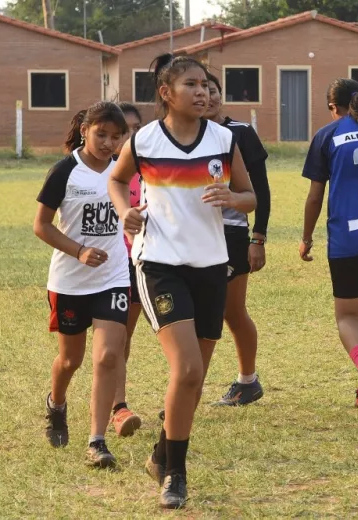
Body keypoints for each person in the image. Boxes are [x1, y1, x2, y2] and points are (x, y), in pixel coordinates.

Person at [108, 54, 256, 509]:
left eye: (205, 84)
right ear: (166, 93)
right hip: (160, 264)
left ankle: (160, 454)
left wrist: (234, 197)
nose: (201, 91)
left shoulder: (223, 138)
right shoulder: (145, 140)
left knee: (195, 377)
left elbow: (250, 197)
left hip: (211, 265)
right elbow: (116, 180)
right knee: (187, 369)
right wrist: (124, 211)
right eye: (190, 84)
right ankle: (176, 474)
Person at [33, 102, 130, 467]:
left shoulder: (123, 170)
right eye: (101, 134)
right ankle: (56, 403)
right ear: (85, 130)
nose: (108, 143)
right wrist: (79, 251)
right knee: (70, 360)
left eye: (115, 136)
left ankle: (97, 441)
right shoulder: (64, 172)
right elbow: (41, 226)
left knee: (108, 356)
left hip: (114, 278)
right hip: (71, 281)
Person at [299, 78, 358, 418]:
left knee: (349, 317)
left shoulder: (328, 136)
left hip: (348, 240)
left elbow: (315, 196)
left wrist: (306, 237)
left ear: (333, 108)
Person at [204, 74, 271, 406]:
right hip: (190, 235)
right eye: (200, 89)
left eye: (212, 90)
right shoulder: (175, 136)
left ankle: (248, 381)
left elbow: (260, 189)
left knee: (231, 311)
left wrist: (258, 237)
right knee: (198, 313)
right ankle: (186, 389)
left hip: (230, 235)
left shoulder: (240, 133)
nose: (208, 96)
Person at [109, 102, 145, 437]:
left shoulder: (150, 168)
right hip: (108, 266)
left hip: (141, 262)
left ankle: (117, 405)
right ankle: (116, 407)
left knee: (125, 336)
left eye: (135, 129)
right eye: (123, 130)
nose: (128, 136)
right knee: (114, 338)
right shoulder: (101, 171)